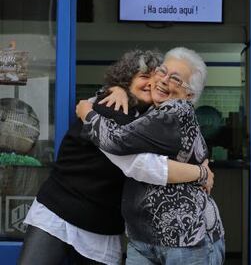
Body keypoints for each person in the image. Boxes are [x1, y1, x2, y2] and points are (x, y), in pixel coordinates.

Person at [19, 49, 214, 265]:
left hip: (102, 226)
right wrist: (200, 172)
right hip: (59, 211)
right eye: (143, 76)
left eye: (155, 75)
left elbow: (185, 142)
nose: (153, 83)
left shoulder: (153, 118)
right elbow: (138, 164)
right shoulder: (110, 107)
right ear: (126, 81)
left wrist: (200, 161)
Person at [76, 47, 225, 265]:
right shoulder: (153, 112)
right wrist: (115, 89)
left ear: (189, 94)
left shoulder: (175, 111)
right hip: (143, 238)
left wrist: (86, 112)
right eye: (161, 72)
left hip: (184, 239)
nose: (163, 81)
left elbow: (116, 140)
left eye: (175, 79)